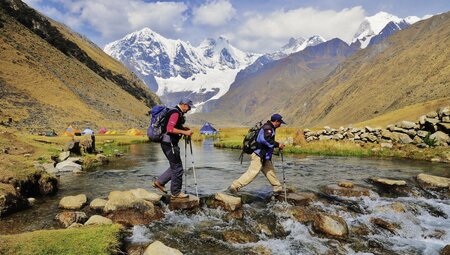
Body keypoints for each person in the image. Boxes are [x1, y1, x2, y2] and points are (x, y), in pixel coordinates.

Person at [228, 114, 286, 195]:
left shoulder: (270, 127)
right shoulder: (268, 128)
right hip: (259, 155)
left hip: (264, 156)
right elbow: (264, 140)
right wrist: (277, 144)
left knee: (270, 171)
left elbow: (267, 140)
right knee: (252, 173)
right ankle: (234, 186)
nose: (280, 124)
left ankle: (278, 188)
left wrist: (277, 144)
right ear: (276, 121)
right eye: (280, 122)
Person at [152, 98, 194, 199]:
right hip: (169, 143)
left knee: (174, 166)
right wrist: (185, 132)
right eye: (189, 107)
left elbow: (172, 126)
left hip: (167, 142)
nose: (189, 109)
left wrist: (183, 129)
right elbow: (170, 129)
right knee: (178, 168)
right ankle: (176, 193)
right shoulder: (175, 113)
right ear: (184, 105)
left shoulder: (175, 112)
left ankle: (159, 182)